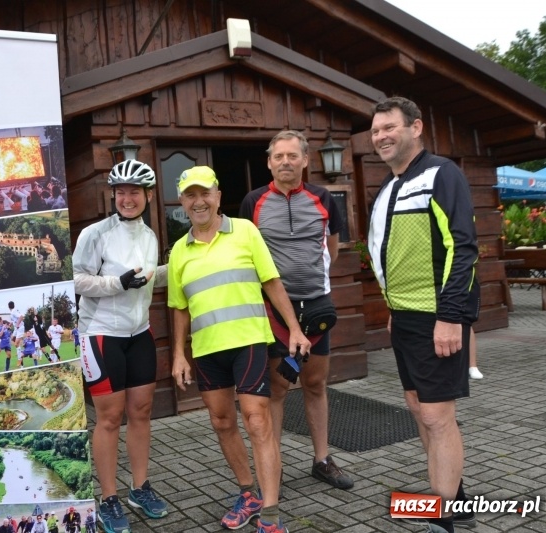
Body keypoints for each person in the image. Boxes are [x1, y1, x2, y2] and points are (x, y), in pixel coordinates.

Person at [168, 166, 311, 533]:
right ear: (182, 202)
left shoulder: (245, 231)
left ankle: (271, 516)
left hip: (248, 342)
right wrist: (179, 354)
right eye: (190, 195)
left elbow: (272, 283)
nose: (198, 202)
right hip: (206, 350)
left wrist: (294, 328)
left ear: (217, 196)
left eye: (205, 193)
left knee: (257, 421)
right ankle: (248, 493)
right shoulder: (179, 252)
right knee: (221, 421)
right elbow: (179, 308)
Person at [367, 96, 480, 533]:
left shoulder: (441, 174)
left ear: (415, 128)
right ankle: (456, 497)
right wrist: (394, 307)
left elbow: (461, 247)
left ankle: (443, 517)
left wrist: (451, 317)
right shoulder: (388, 187)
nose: (381, 136)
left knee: (437, 416)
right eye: (376, 130)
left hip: (438, 316)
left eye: (389, 127)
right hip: (406, 316)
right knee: (417, 408)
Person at [239, 130, 354, 490]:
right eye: (279, 156)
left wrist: (310, 277)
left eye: (293, 156)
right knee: (277, 387)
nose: (285, 162)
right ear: (269, 162)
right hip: (273, 310)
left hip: (317, 303)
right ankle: (274, 464)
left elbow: (332, 248)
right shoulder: (252, 202)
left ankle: (321, 459)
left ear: (305, 160)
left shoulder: (323, 198)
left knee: (315, 383)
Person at [73, 159, 168, 533]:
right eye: (121, 192)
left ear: (147, 195)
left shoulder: (149, 236)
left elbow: (146, 280)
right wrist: (116, 283)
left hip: (139, 333)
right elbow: (77, 280)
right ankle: (108, 497)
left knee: (142, 413)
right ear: (113, 194)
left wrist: (177, 269)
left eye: (135, 192)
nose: (127, 198)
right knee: (110, 418)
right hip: (100, 334)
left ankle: (139, 487)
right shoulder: (95, 233)